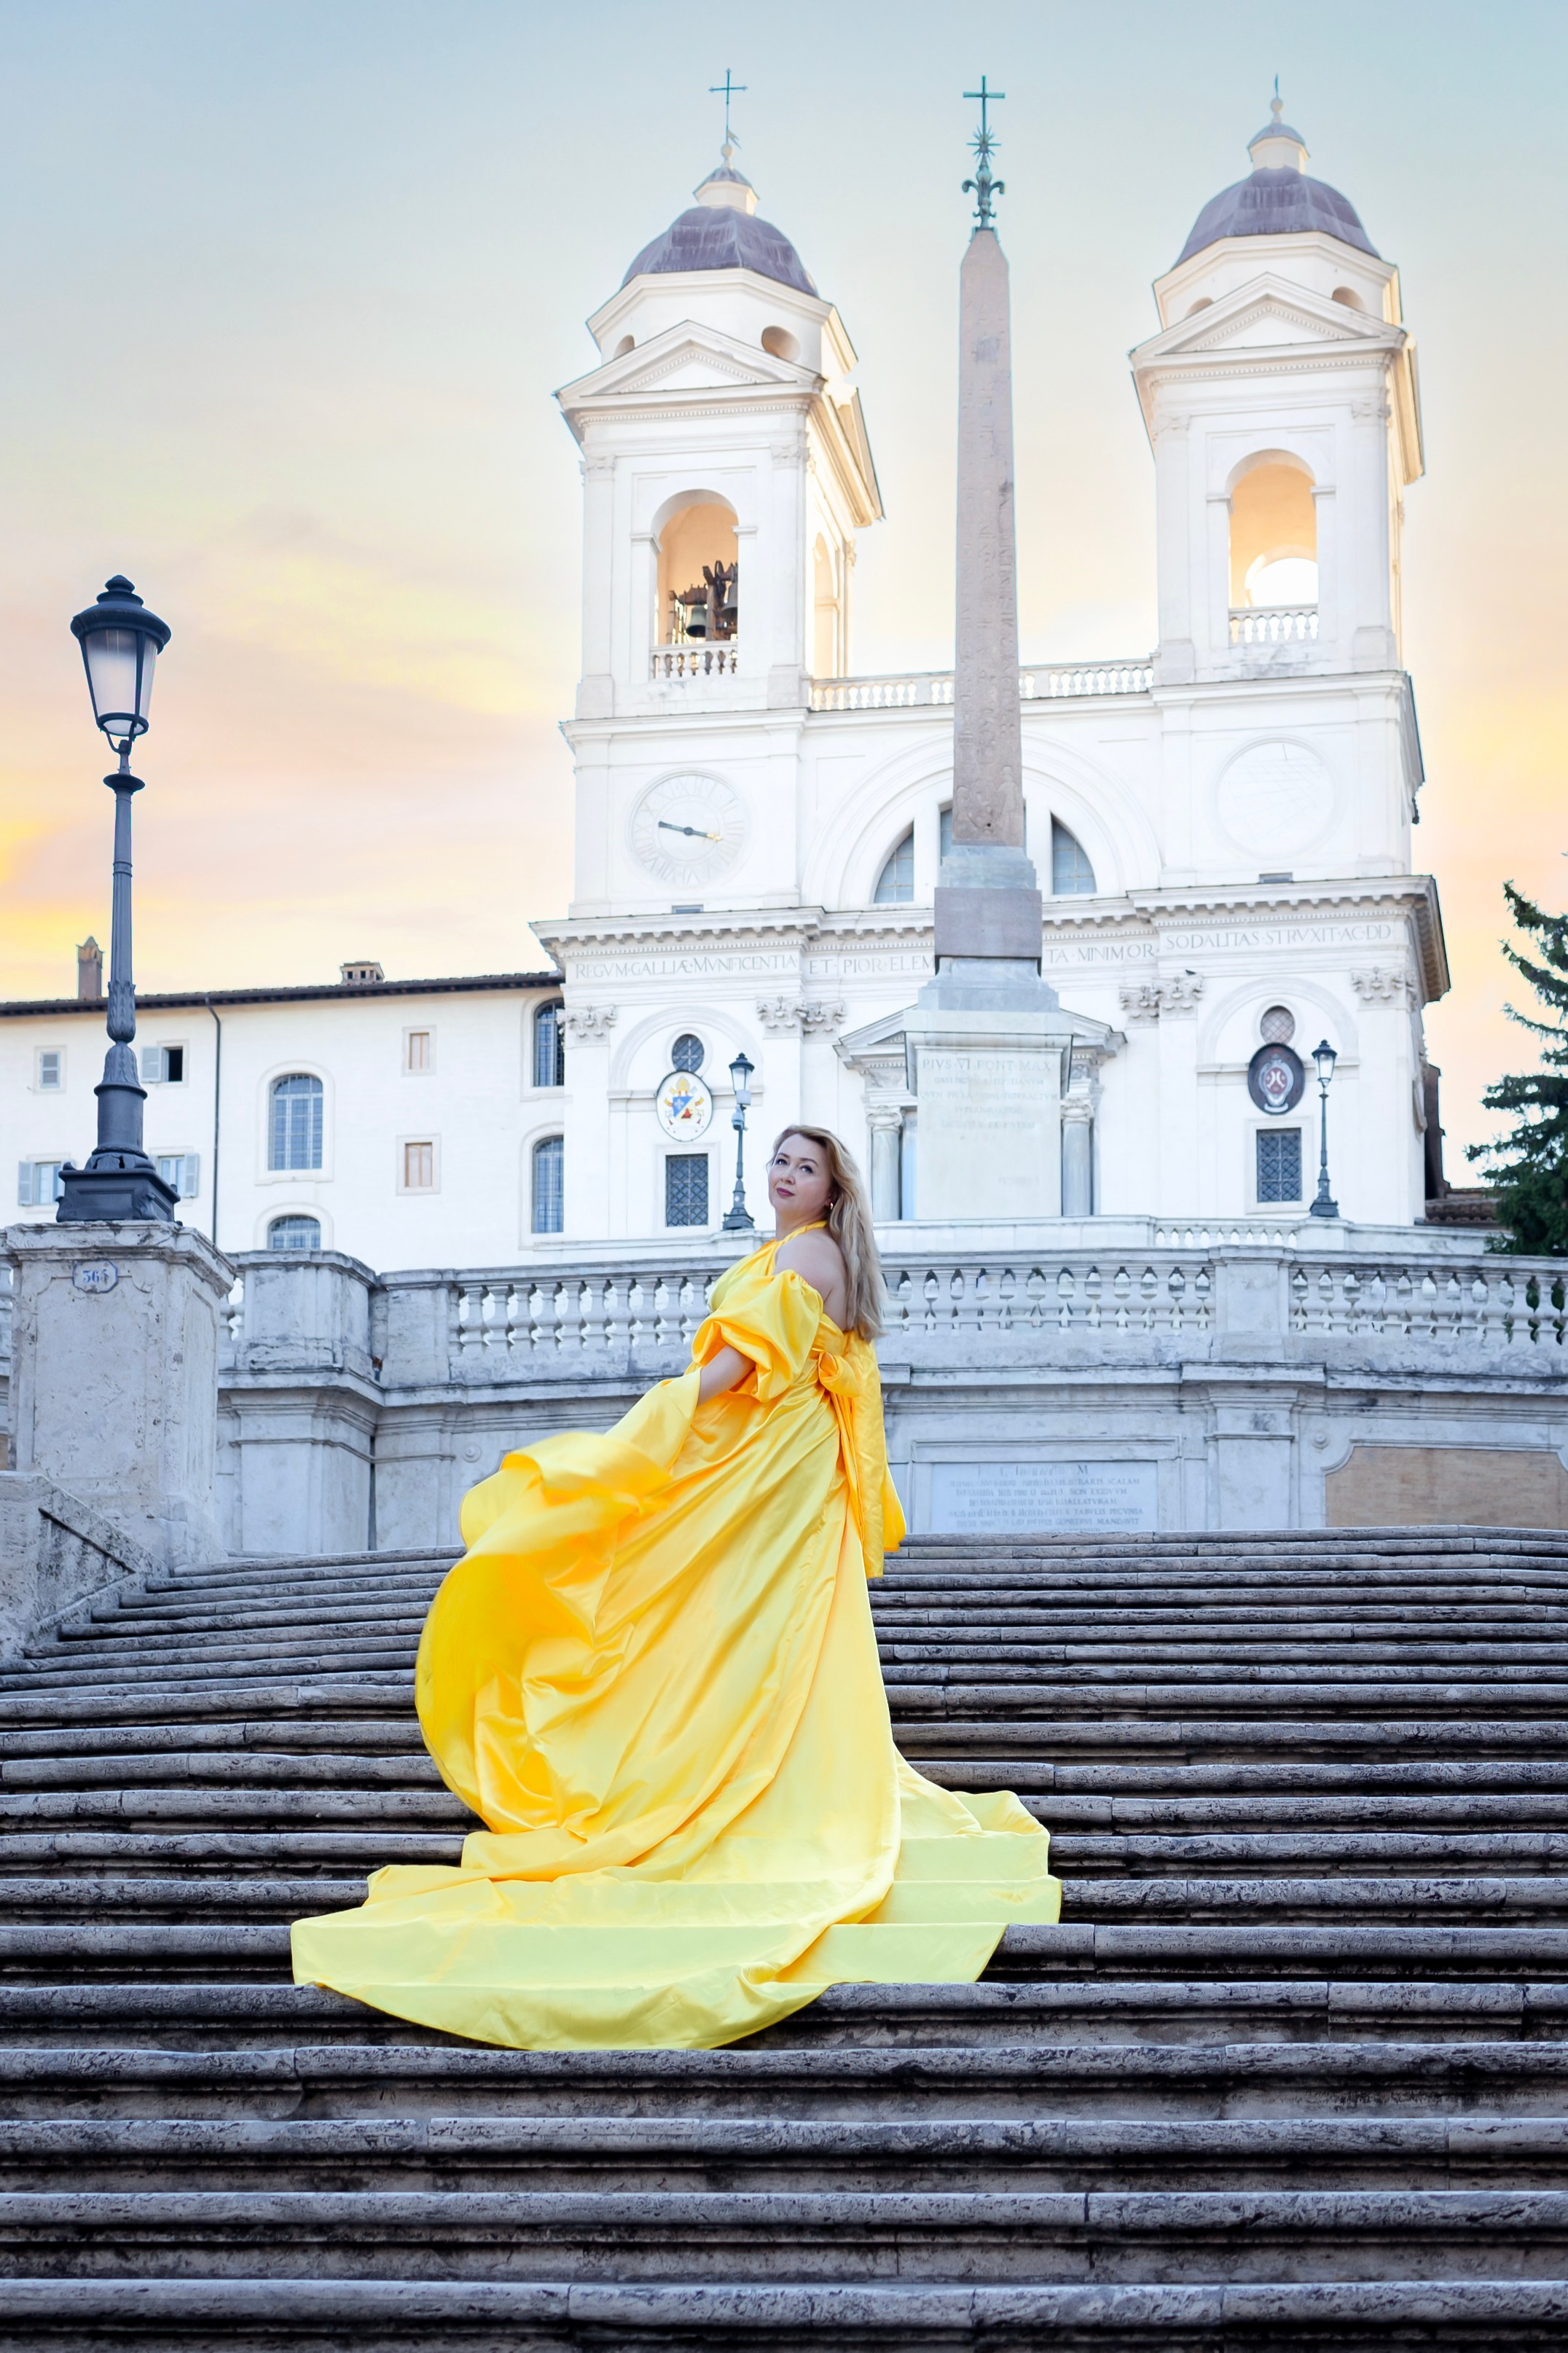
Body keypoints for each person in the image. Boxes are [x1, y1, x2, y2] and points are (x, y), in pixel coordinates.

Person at [291, 1126, 1058, 2049]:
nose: (784, 1174)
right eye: (779, 1160)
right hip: (785, 1455)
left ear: (831, 1191)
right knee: (759, 1621)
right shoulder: (805, 1251)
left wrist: (653, 1420)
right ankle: (741, 1757)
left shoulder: (806, 1254)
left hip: (773, 1459)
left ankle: (733, 1771)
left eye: (804, 1167)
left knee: (736, 1608)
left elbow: (739, 1365)